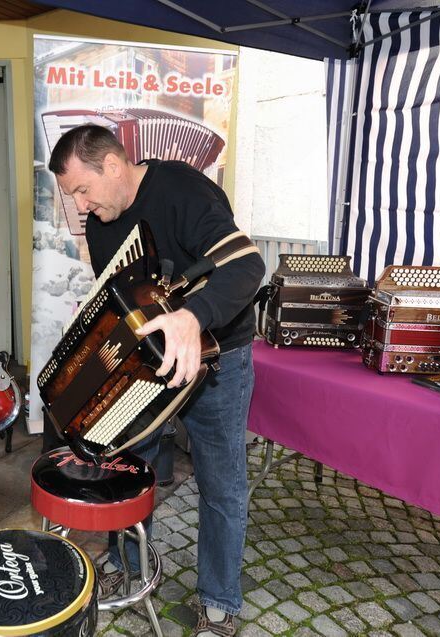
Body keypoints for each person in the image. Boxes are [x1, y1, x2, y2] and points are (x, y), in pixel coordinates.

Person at [48, 124, 265, 637]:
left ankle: (218, 601)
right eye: (71, 195)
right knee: (124, 466)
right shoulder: (103, 222)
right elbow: (126, 300)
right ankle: (127, 565)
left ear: (114, 166)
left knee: (221, 483)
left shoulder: (183, 190)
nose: (80, 205)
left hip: (218, 360)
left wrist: (194, 316)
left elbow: (248, 266)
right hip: (148, 368)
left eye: (83, 189)